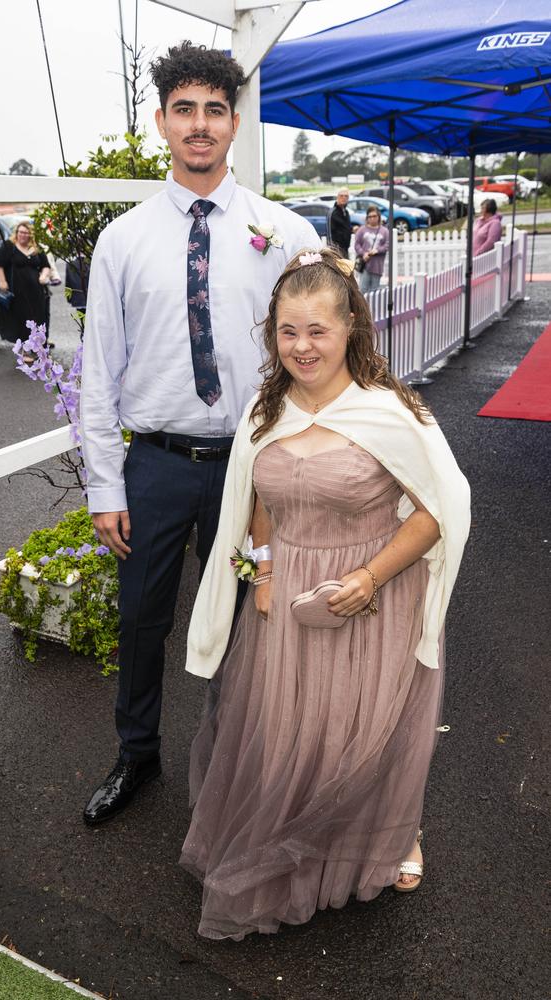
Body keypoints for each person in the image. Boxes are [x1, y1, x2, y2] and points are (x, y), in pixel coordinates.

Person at [181, 246, 471, 940]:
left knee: (367, 731)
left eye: (318, 330)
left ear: (350, 330)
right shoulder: (263, 410)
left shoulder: (391, 412)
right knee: (293, 729)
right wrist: (264, 575)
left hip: (372, 595)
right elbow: (255, 506)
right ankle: (301, 830)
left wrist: (369, 578)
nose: (303, 346)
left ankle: (398, 831)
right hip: (288, 600)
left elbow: (437, 513)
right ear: (272, 334)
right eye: (288, 331)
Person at [79, 42, 318, 827]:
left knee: (252, 615)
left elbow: (320, 344)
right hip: (156, 464)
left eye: (214, 109)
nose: (200, 124)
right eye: (185, 109)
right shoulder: (121, 240)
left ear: (234, 123)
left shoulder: (281, 231)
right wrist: (106, 486)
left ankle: (234, 759)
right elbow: (98, 373)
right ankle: (136, 754)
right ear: (162, 123)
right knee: (141, 617)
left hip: (253, 468)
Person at [0, 222, 50, 350]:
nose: (23, 235)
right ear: (16, 233)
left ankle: (40, 345)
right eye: (20, 232)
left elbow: (45, 266)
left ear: (30, 234)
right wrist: (2, 281)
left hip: (36, 291)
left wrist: (43, 276)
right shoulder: (9, 246)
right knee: (23, 319)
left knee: (39, 317)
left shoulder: (36, 248)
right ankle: (26, 350)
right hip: (18, 291)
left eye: (26, 233)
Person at [354, 205, 389, 294]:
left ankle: (373, 308)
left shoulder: (384, 231)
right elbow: (357, 244)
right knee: (363, 290)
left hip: (377, 266)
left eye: (374, 216)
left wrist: (377, 250)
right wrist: (363, 253)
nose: (372, 218)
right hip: (365, 265)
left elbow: (387, 245)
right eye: (370, 216)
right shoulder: (362, 230)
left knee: (375, 292)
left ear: (378, 217)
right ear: (367, 218)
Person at [328, 187, 352, 256]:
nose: (344, 198)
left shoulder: (346, 212)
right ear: (337, 197)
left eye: (346, 196)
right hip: (336, 251)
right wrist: (333, 252)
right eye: (341, 196)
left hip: (345, 249)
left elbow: (345, 228)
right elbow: (330, 234)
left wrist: (352, 229)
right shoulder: (332, 212)